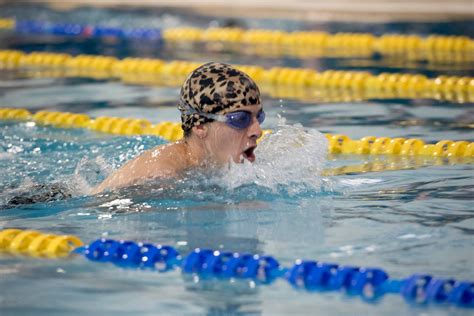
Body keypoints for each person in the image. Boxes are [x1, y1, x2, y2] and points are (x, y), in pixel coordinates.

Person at [92, 62, 265, 194]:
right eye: (241, 119)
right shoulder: (160, 178)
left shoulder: (214, 163)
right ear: (200, 126)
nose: (257, 131)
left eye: (259, 116)